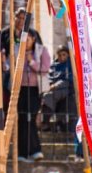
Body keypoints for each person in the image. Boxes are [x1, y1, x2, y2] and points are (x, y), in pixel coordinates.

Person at [10, 28, 49, 161]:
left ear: (33, 39)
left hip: (34, 90)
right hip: (20, 89)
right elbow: (11, 67)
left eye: (28, 39)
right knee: (21, 120)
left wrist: (31, 61)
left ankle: (35, 150)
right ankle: (22, 152)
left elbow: (44, 69)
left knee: (30, 119)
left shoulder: (41, 51)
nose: (26, 42)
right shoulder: (16, 50)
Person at [39, 46, 72, 130]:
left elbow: (67, 80)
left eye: (64, 55)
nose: (61, 57)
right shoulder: (54, 65)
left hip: (64, 88)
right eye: (59, 55)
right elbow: (48, 77)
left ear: (68, 55)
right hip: (51, 88)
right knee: (43, 95)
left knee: (48, 96)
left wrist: (55, 86)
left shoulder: (70, 65)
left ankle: (45, 123)